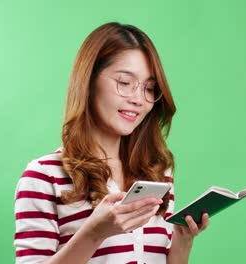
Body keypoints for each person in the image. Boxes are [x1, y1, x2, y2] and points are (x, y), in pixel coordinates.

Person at [13, 22, 209, 264]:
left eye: (149, 88)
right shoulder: (44, 177)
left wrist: (183, 240)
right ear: (89, 81)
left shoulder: (157, 174)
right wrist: (94, 233)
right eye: (125, 83)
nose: (138, 99)